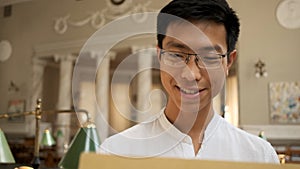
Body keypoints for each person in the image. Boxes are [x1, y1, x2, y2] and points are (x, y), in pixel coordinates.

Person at [99, 0, 279, 163]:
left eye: (209, 57)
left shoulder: (259, 156)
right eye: (176, 55)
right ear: (159, 55)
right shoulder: (115, 152)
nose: (191, 74)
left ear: (229, 62)